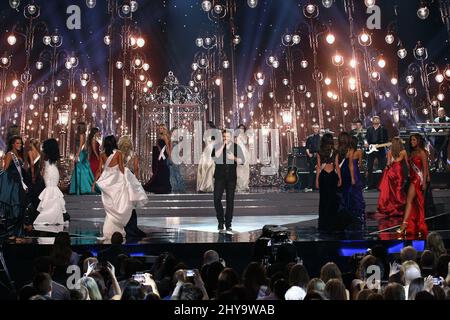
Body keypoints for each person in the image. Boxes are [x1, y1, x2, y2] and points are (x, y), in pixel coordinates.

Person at [93, 135, 147, 240]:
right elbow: (122, 169)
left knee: (112, 206)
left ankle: (110, 230)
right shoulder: (118, 153)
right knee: (123, 204)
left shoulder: (102, 154)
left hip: (108, 182)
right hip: (118, 181)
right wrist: (127, 181)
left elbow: (100, 170)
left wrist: (94, 183)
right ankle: (124, 226)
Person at [397, 134, 429, 237]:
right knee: (415, 203)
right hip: (413, 177)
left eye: (414, 140)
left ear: (418, 141)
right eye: (411, 140)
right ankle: (416, 225)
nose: (412, 142)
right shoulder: (412, 152)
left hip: (418, 179)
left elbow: (424, 168)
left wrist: (424, 182)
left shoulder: (422, 152)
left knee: (410, 201)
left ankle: (404, 224)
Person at [212, 130, 244, 233]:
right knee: (217, 199)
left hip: (231, 178)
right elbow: (215, 157)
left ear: (231, 137)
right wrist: (223, 146)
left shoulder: (236, 147)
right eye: (224, 136)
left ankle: (228, 223)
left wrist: (233, 158)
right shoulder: (218, 146)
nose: (226, 138)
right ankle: (220, 221)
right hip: (220, 177)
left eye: (228, 136)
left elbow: (242, 161)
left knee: (230, 201)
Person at [118, 135, 147, 239]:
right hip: (129, 182)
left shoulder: (118, 155)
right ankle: (132, 228)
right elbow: (136, 170)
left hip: (121, 182)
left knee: (122, 205)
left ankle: (123, 227)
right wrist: (135, 183)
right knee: (131, 206)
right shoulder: (133, 155)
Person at [33, 139, 68, 228]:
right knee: (54, 191)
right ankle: (55, 215)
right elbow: (60, 167)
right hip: (54, 171)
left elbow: (42, 165)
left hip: (48, 172)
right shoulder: (54, 154)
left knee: (49, 190)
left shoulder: (45, 154)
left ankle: (47, 215)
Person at [0, 135, 28, 237]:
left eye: (20, 143)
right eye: (17, 143)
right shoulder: (9, 154)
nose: (19, 145)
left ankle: (18, 234)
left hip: (19, 184)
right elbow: (5, 169)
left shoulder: (19, 155)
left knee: (21, 208)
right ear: (12, 144)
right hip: (12, 185)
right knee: (14, 209)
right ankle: (11, 233)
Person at [316, 133, 342, 232]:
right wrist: (340, 178)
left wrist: (317, 181)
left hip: (323, 176)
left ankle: (324, 223)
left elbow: (319, 167)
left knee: (323, 200)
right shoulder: (335, 152)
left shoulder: (319, 152)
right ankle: (333, 222)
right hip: (332, 176)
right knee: (333, 199)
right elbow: (337, 166)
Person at [338, 133, 365, 225]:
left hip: (343, 170)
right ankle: (354, 210)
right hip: (351, 171)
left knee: (345, 190)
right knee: (354, 190)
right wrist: (353, 176)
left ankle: (345, 209)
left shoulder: (343, 150)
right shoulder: (355, 151)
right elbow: (355, 165)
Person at [377, 137, 409, 216]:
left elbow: (388, 164)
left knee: (392, 191)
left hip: (391, 172)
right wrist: (410, 172)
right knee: (398, 189)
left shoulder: (389, 152)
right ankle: (399, 206)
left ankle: (393, 207)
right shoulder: (404, 152)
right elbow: (408, 164)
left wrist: (386, 170)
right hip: (399, 173)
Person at [69, 122, 97, 195]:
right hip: (82, 153)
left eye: (78, 126)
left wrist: (77, 155)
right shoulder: (83, 135)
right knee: (81, 169)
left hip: (81, 153)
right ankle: (81, 187)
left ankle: (81, 188)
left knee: (79, 169)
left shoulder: (81, 135)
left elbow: (81, 145)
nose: (77, 128)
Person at [143, 124, 171, 194]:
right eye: (160, 128)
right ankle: (160, 185)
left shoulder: (165, 136)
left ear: (164, 129)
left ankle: (164, 186)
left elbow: (167, 147)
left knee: (164, 169)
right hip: (160, 156)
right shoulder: (160, 136)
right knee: (160, 170)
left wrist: (170, 156)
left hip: (164, 155)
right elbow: (159, 147)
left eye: (162, 128)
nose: (160, 129)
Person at [365, 116, 388, 189]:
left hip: (380, 149)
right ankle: (369, 184)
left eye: (377, 119)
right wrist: (366, 143)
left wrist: (381, 145)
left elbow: (386, 139)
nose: (376, 120)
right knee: (369, 167)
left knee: (382, 167)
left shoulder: (383, 129)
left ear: (379, 120)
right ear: (372, 121)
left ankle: (382, 184)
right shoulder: (369, 129)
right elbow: (366, 138)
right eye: (374, 119)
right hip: (371, 149)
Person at [197, 122, 217, 192]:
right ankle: (204, 185)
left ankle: (209, 186)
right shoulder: (205, 133)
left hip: (212, 150)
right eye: (206, 125)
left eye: (208, 125)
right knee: (204, 167)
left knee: (210, 167)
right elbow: (204, 143)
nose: (207, 126)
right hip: (206, 151)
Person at [168, 128, 186, 193]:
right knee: (173, 172)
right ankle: (174, 187)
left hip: (176, 156)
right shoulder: (170, 139)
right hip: (172, 156)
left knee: (177, 171)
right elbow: (169, 149)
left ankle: (179, 187)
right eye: (175, 131)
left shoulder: (178, 139)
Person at [305, 124, 321, 192]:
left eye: (317, 128)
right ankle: (309, 186)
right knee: (311, 171)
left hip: (319, 156)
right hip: (312, 156)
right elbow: (307, 148)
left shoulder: (321, 138)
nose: (316, 130)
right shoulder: (310, 138)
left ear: (318, 129)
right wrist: (309, 154)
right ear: (313, 129)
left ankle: (320, 186)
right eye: (315, 128)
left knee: (320, 171)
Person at [433, 107, 449, 171]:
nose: (439, 113)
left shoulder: (448, 119)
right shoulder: (436, 120)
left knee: (444, 152)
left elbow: (448, 129)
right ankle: (436, 166)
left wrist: (443, 130)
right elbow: (433, 127)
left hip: (445, 139)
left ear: (444, 112)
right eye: (439, 112)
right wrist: (433, 130)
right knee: (436, 152)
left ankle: (444, 166)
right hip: (437, 139)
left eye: (441, 112)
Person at [235, 124, 250, 192]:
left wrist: (248, 154)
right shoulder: (236, 136)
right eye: (240, 128)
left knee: (245, 169)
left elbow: (247, 145)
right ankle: (239, 185)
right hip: (239, 152)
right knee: (239, 169)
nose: (241, 130)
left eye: (243, 128)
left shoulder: (246, 136)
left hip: (245, 153)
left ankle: (245, 185)